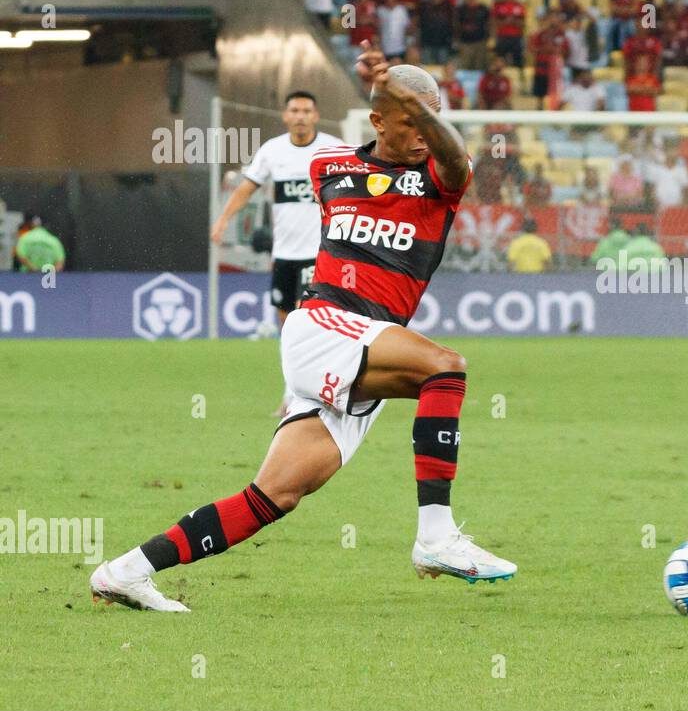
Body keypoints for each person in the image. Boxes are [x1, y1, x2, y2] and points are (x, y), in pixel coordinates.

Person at [93, 46, 515, 612]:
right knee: (446, 368)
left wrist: (414, 105)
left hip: (362, 344)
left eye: (433, 120)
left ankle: (125, 571)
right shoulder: (330, 169)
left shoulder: (441, 178)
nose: (425, 135)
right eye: (413, 121)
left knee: (273, 496)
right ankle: (436, 537)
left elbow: (457, 159)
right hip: (322, 325)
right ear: (378, 120)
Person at [211, 92, 343, 412]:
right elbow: (247, 187)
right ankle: (295, 393)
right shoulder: (272, 151)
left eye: (306, 111)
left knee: (306, 323)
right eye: (294, 110)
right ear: (285, 116)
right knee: (286, 327)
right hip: (284, 254)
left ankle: (303, 396)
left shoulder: (334, 147)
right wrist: (224, 219)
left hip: (319, 253)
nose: (300, 116)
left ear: (316, 115)